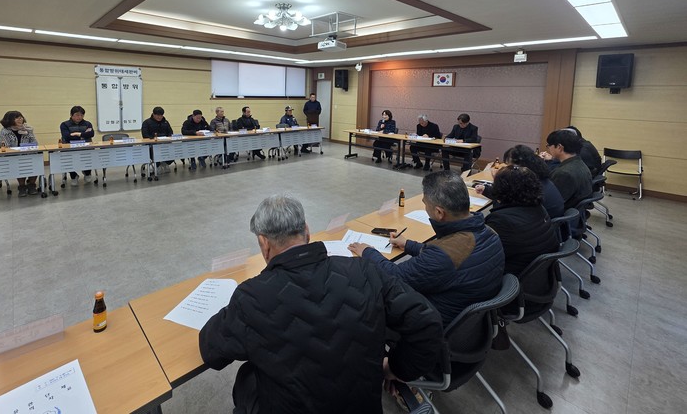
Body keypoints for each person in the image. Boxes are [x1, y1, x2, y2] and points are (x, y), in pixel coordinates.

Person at [199, 195, 444, 414]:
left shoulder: (251, 296)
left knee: (247, 376)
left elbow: (212, 352)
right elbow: (427, 320)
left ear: (263, 243)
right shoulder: (365, 270)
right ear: (307, 231)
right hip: (363, 405)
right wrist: (397, 368)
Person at [349, 171, 505, 326]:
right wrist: (408, 244)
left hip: (434, 321)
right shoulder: (490, 233)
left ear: (439, 212)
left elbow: (395, 277)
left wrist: (368, 252)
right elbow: (448, 253)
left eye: (425, 204)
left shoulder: (442, 256)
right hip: (471, 318)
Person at [483, 166, 560, 276]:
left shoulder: (501, 220)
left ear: (500, 189)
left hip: (513, 276)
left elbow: (484, 255)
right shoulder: (539, 208)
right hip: (539, 273)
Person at [475, 144, 564, 218]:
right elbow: (509, 194)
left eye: (509, 165)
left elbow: (503, 206)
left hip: (532, 225)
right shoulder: (536, 177)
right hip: (544, 224)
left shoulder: (530, 185)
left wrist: (498, 180)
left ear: (519, 165)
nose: (508, 169)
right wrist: (486, 189)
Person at [545, 129, 593, 213]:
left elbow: (550, 202)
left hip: (559, 213)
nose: (548, 149)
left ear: (559, 147)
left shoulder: (564, 173)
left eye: (549, 145)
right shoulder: (579, 162)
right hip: (573, 209)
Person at [0, 110, 39, 197]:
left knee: (36, 160)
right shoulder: (4, 132)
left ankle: (32, 185)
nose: (20, 119)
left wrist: (30, 133)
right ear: (9, 120)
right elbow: (6, 147)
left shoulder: (27, 129)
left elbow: (35, 144)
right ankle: (22, 186)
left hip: (27, 155)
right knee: (20, 162)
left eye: (21, 117)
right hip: (14, 156)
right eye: (17, 118)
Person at [60, 105, 95, 185]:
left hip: (86, 148)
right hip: (70, 149)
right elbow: (67, 137)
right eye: (77, 115)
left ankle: (87, 173)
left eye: (81, 115)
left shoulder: (87, 124)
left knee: (90, 155)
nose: (79, 117)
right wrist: (83, 136)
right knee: (67, 159)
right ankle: (73, 176)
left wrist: (78, 134)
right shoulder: (64, 124)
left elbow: (91, 134)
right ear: (71, 115)